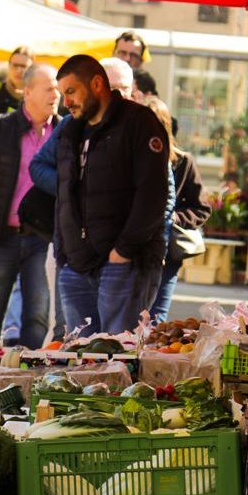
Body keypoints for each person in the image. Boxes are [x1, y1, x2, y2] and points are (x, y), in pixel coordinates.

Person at [53, 54, 171, 335]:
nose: (66, 102)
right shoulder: (70, 130)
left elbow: (153, 194)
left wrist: (124, 251)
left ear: (96, 84)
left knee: (119, 353)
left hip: (124, 264)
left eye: (71, 91)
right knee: (80, 356)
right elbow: (63, 193)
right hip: (76, 266)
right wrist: (64, 252)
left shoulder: (139, 122)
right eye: (63, 94)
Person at [0, 63, 60, 350]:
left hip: (43, 239)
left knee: (38, 315)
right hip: (1, 236)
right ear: (27, 92)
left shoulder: (64, 132)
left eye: (57, 89)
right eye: (49, 88)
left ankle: (27, 370)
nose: (56, 95)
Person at [146, 96, 210, 322]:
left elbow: (202, 208)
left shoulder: (183, 162)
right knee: (134, 315)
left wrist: (175, 217)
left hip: (168, 252)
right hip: (136, 248)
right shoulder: (130, 159)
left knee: (157, 316)